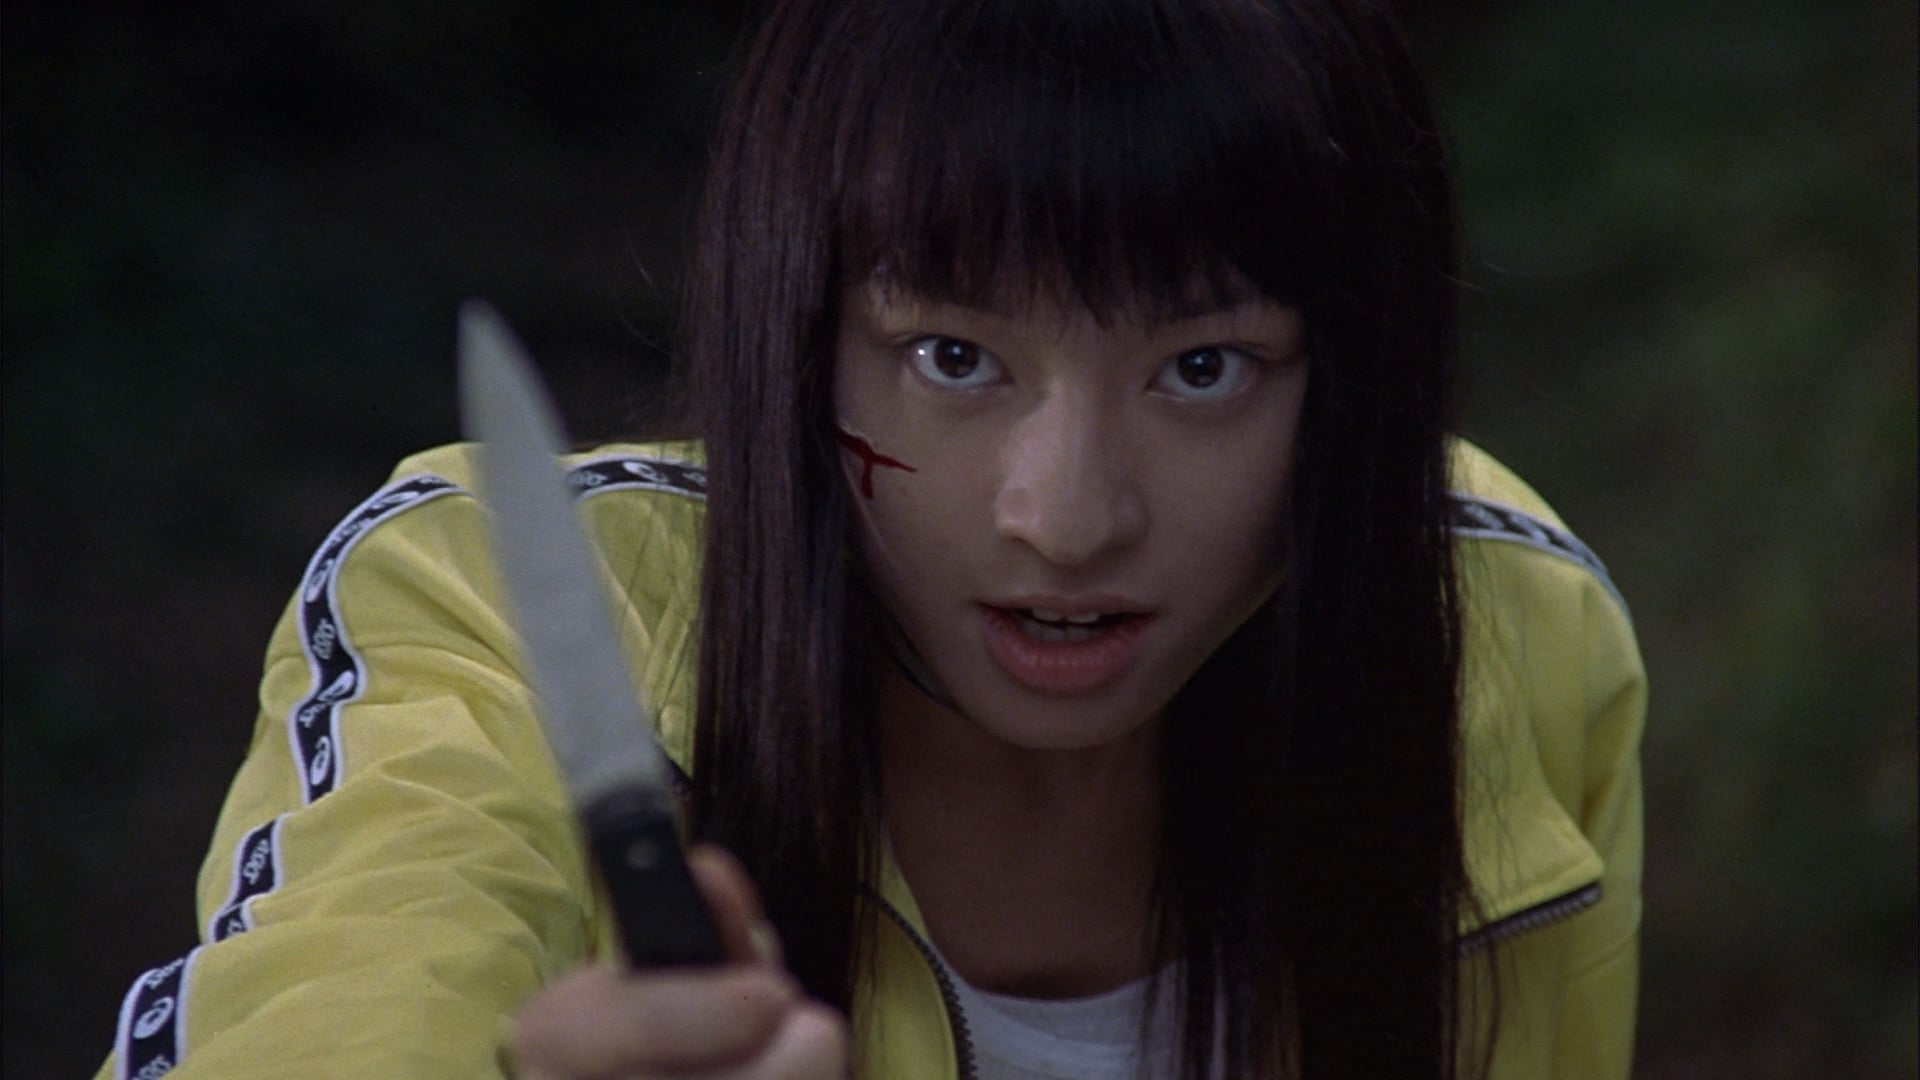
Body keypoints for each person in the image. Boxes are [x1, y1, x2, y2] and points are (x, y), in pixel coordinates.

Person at [99, 1, 1645, 1077]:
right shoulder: (500, 600)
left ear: (1355, 373)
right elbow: (344, 991)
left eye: (1203, 368)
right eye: (953, 358)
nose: (1066, 519)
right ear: (798, 329)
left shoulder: (1519, 630)